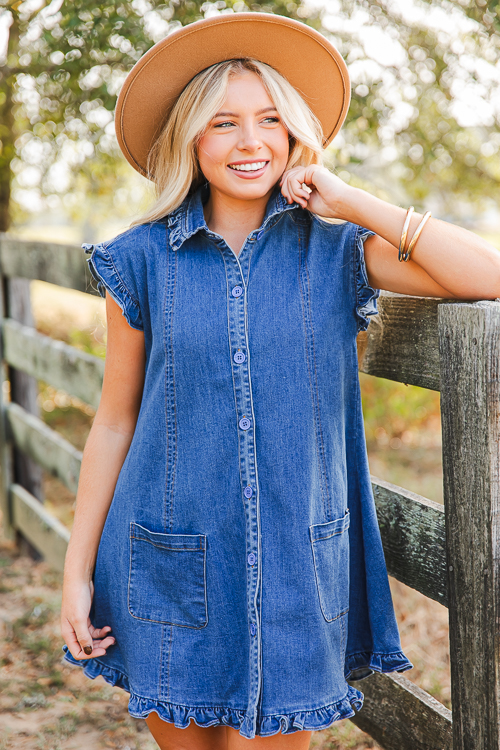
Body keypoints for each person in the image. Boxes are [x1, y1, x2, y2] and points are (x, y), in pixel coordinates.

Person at [60, 12, 500, 750]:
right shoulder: (137, 260)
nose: (250, 141)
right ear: (191, 138)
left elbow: (489, 277)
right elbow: (113, 420)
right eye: (223, 122)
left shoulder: (337, 254)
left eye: (270, 120)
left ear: (296, 136)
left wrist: (354, 202)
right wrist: (75, 574)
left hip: (300, 568)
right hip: (169, 564)